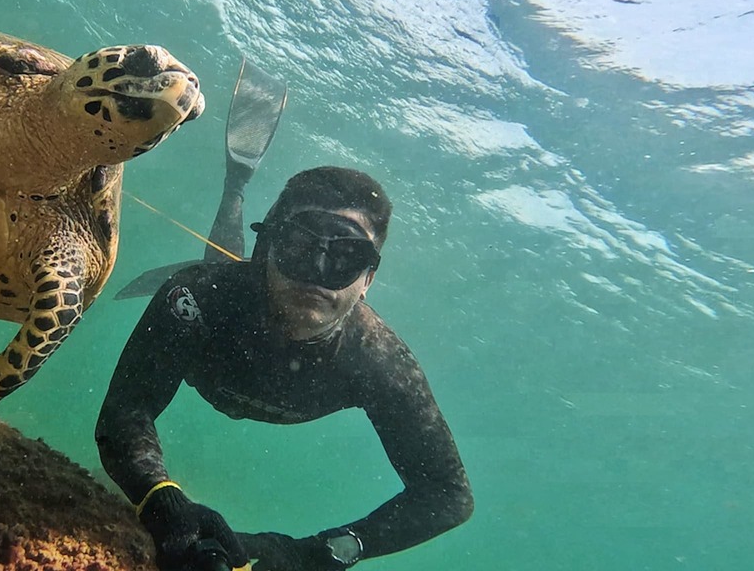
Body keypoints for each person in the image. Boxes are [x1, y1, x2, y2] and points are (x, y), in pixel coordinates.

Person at [96, 68, 472, 571]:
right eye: (299, 247)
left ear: (368, 280)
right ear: (269, 247)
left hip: (237, 300)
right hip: (229, 284)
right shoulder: (195, 299)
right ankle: (237, 187)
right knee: (216, 264)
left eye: (344, 259)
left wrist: (313, 553)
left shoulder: (380, 362)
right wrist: (163, 501)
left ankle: (242, 193)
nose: (317, 275)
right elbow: (126, 411)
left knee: (219, 270)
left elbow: (448, 495)